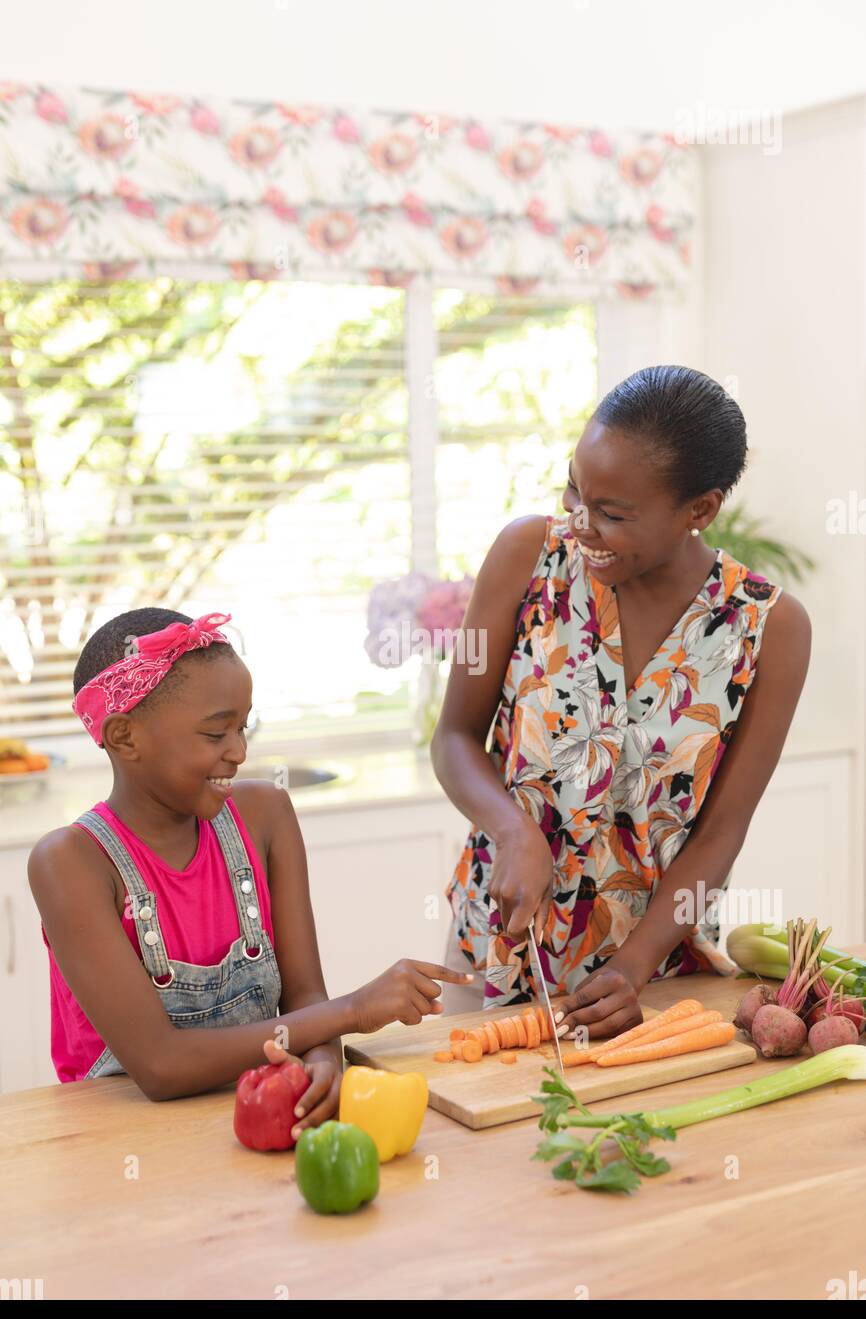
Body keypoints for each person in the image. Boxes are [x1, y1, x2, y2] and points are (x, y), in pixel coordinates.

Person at [432, 364, 811, 1041]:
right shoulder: (528, 555)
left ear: (700, 510)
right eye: (575, 489)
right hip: (496, 945)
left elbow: (722, 829)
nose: (582, 524)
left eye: (611, 514)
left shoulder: (768, 628)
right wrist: (514, 830)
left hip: (653, 977)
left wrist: (633, 967)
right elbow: (455, 738)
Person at [28, 608, 471, 1126]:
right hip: (121, 1139)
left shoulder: (265, 816)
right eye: (216, 734)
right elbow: (160, 1066)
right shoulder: (72, 864)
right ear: (126, 738)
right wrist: (353, 1012)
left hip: (256, 1112)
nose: (238, 752)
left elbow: (305, 996)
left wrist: (326, 1060)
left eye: (244, 727)